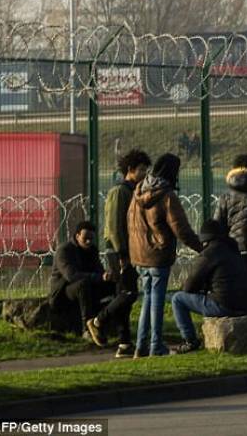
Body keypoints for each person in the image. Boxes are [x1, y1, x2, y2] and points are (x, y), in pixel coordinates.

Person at [128, 153, 203, 357]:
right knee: (157, 301)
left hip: (140, 254)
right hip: (158, 255)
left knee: (147, 300)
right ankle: (155, 346)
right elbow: (182, 229)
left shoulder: (138, 190)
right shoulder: (167, 195)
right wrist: (202, 249)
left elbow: (132, 223)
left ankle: (141, 347)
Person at [171, 220, 247, 354]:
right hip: (245, 304)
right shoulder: (233, 249)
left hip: (224, 305)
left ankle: (190, 341)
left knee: (177, 299)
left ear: (204, 238)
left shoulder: (209, 254)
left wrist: (202, 289)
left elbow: (189, 287)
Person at [100, 149, 151, 358]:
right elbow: (114, 226)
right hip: (118, 251)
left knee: (125, 294)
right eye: (141, 170)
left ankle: (124, 342)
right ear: (129, 170)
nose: (144, 174)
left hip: (129, 249)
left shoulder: (134, 190)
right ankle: (99, 320)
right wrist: (122, 253)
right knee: (127, 293)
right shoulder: (119, 192)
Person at [49, 221, 126, 347]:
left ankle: (114, 324)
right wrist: (98, 277)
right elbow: (71, 275)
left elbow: (98, 270)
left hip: (87, 286)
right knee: (82, 284)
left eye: (91, 239)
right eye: (85, 238)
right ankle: (87, 329)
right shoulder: (64, 250)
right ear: (77, 235)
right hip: (64, 291)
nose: (88, 242)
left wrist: (108, 276)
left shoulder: (92, 250)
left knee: (116, 286)